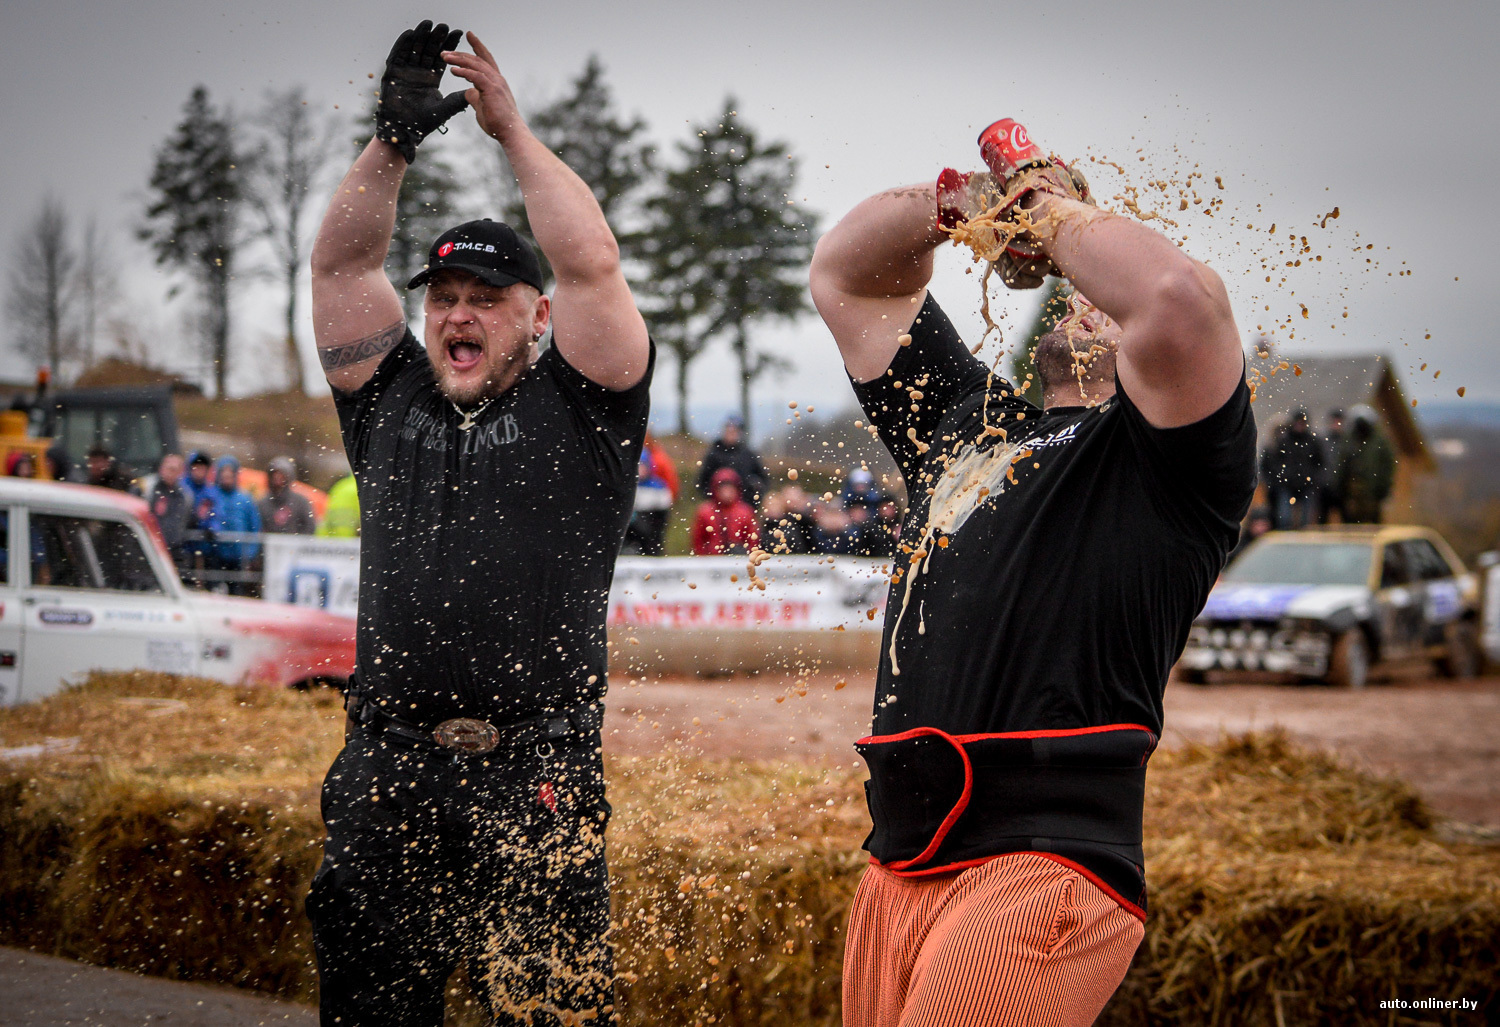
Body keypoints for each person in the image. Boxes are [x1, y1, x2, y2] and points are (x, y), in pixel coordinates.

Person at [809, 118, 1255, 1026]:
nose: (1089, 296)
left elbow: (1174, 296)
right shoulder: (969, 428)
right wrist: (961, 209)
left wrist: (1047, 208)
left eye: (1108, 295)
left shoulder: (1170, 461)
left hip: (1041, 866)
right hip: (899, 864)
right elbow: (847, 275)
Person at [305, 21, 652, 1027]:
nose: (459, 315)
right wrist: (393, 144)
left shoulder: (583, 409)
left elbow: (591, 264)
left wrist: (512, 133)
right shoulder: (389, 400)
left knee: (546, 1018)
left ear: (536, 317)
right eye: (444, 297)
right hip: (387, 768)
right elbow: (339, 269)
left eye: (486, 299)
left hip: (538, 770)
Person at [200, 456, 262, 595]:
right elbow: (203, 518)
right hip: (216, 553)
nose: (227, 478)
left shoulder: (245, 499)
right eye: (224, 474)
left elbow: (254, 527)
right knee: (214, 589)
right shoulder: (211, 495)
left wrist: (251, 553)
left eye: (230, 474)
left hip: (238, 555)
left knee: (236, 591)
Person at [1260, 409, 1324, 529]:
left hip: (1307, 485)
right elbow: (1274, 462)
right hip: (1286, 485)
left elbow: (1320, 463)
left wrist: (1314, 479)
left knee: (1305, 521)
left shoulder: (1312, 441)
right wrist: (1281, 477)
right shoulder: (1284, 441)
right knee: (1284, 519)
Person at [1334, 412, 1395, 524]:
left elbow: (1387, 466)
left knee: (1372, 521)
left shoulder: (1379, 441)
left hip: (1372, 491)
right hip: (1351, 491)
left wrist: (1384, 488)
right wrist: (1338, 486)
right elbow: (1341, 464)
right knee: (1351, 523)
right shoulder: (1349, 440)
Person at [696, 413, 768, 507]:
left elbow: (763, 479)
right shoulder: (713, 454)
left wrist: (753, 495)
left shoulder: (748, 454)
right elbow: (702, 481)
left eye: (734, 430)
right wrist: (714, 500)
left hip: (745, 506)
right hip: (718, 509)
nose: (731, 433)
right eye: (728, 430)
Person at [625, 431, 677, 555]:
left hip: (652, 536)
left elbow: (663, 515)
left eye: (643, 466)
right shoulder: (628, 488)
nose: (640, 470)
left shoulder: (658, 487)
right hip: (631, 539)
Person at [691, 467, 759, 555]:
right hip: (712, 560)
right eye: (723, 488)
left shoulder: (745, 512)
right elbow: (698, 540)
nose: (726, 492)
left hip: (739, 560)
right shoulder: (705, 511)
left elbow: (752, 540)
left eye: (729, 488)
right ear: (715, 489)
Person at [146, 453, 193, 562]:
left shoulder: (185, 494)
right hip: (150, 545)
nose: (170, 473)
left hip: (173, 548)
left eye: (174, 470)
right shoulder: (147, 487)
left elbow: (187, 519)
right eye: (168, 468)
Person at [258, 457, 316, 535]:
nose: (277, 478)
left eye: (281, 475)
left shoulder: (301, 502)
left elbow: (309, 527)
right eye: (274, 474)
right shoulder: (262, 504)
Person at [316, 474, 361, 538]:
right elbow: (343, 529)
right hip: (341, 541)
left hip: (328, 540)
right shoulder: (355, 489)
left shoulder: (343, 485)